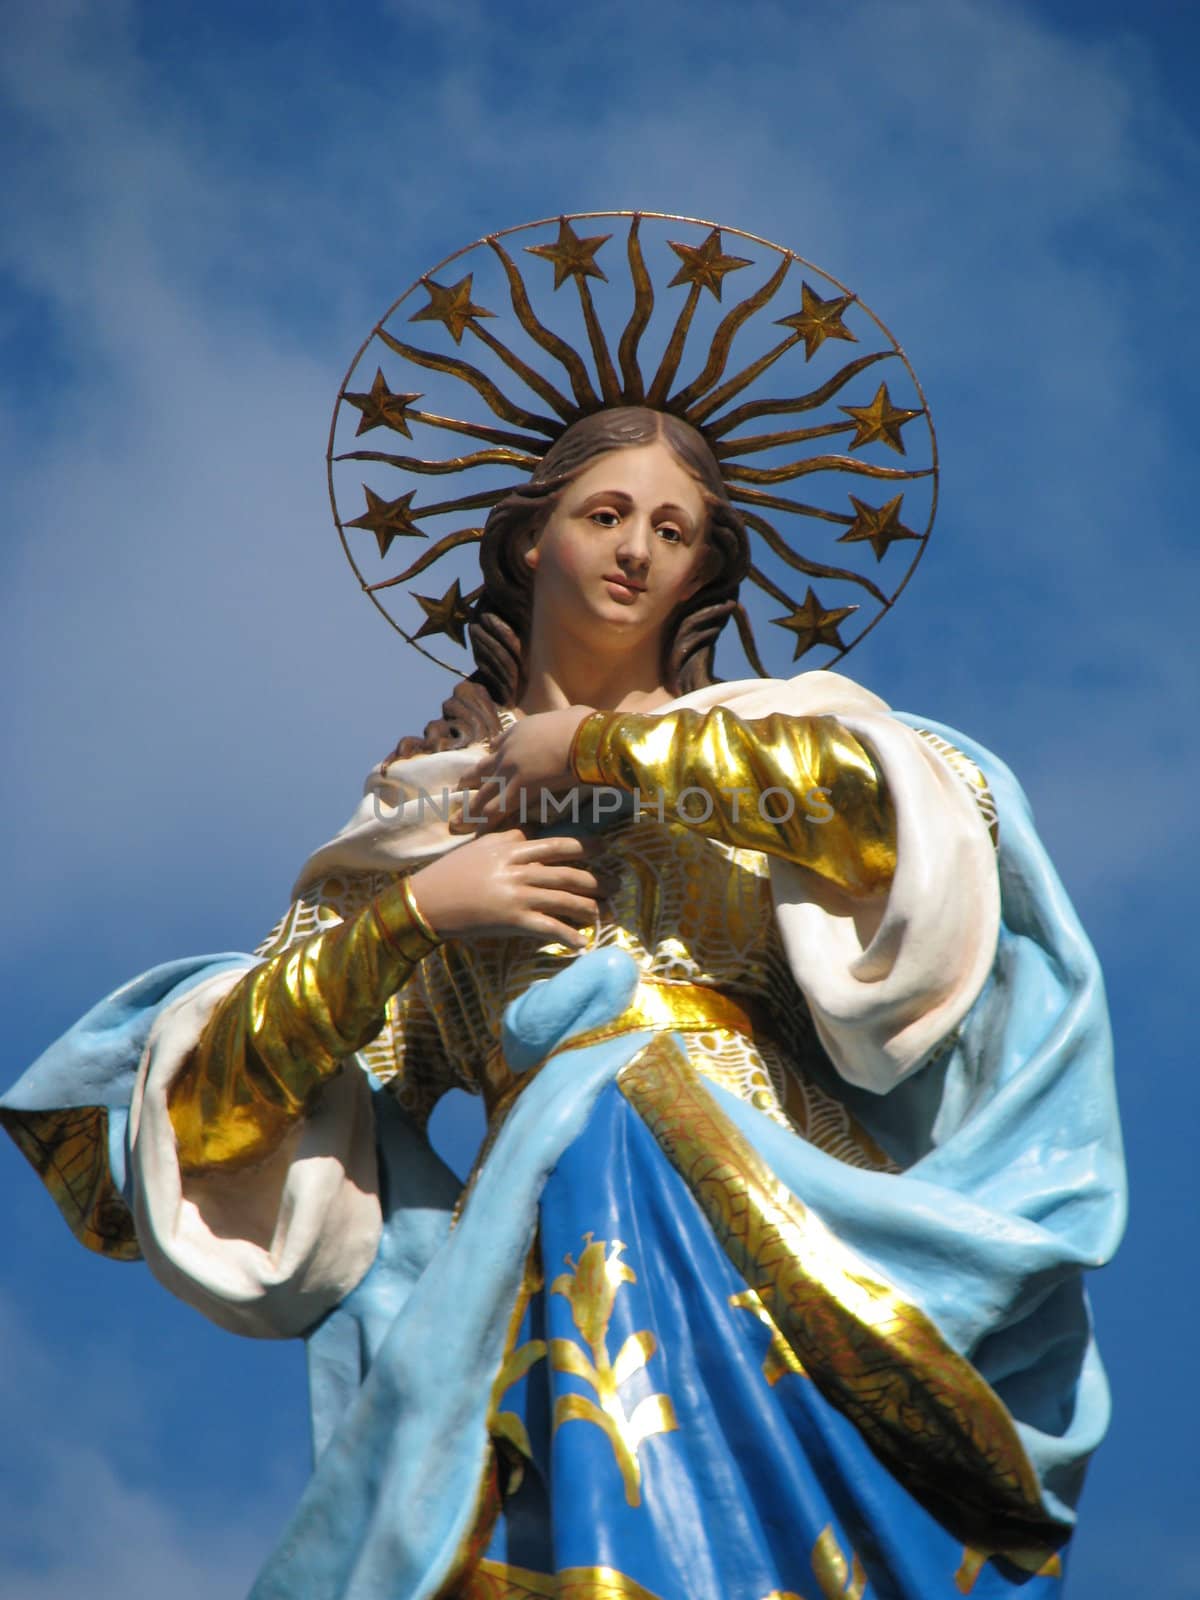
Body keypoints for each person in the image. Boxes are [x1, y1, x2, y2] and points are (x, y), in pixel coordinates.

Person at [2, 242, 1124, 1600]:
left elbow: (928, 837)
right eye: (607, 514)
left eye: (675, 528)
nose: (638, 548)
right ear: (531, 533)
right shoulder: (417, 822)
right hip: (544, 1244)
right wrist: (416, 913)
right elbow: (221, 1119)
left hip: (790, 1215)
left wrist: (608, 754)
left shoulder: (786, 737)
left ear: (707, 567)